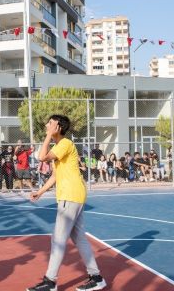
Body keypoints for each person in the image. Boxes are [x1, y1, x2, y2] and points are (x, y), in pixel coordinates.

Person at [27, 115, 106, 291]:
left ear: (58, 127)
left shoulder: (65, 143)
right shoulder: (59, 146)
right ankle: (97, 277)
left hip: (70, 195)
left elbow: (41, 157)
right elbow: (55, 175)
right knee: (79, 238)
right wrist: (40, 192)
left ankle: (50, 282)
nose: (46, 125)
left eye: (50, 123)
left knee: (58, 240)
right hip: (73, 194)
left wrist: (48, 135)